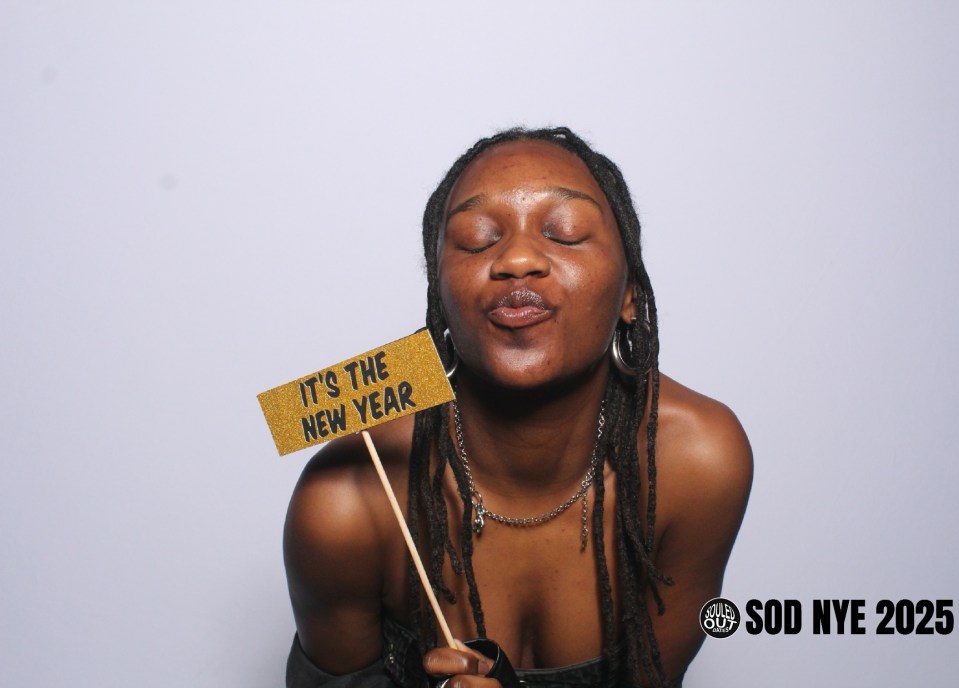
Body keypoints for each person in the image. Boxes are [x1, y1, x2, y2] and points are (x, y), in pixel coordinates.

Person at [283, 127, 753, 688]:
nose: (518, 258)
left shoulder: (698, 462)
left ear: (630, 292)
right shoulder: (346, 500)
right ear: (441, 299)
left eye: (567, 232)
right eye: (477, 239)